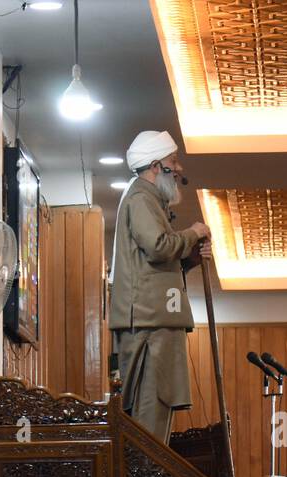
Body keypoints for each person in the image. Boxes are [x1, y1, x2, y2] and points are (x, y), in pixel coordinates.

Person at [108, 130, 211, 442]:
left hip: (155, 318)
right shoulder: (141, 198)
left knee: (156, 409)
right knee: (150, 415)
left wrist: (190, 258)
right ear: (156, 166)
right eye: (173, 161)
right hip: (149, 322)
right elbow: (157, 246)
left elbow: (158, 260)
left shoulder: (149, 200)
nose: (178, 168)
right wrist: (192, 233)